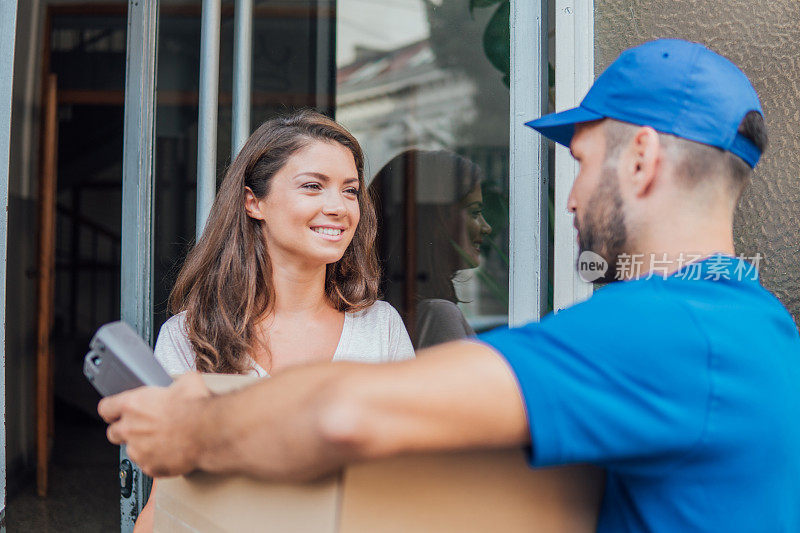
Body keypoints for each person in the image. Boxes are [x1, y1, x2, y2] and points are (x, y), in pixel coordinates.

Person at [100, 40, 800, 533]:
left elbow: (346, 413)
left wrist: (193, 423)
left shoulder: (660, 329)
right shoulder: (758, 323)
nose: (572, 198)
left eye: (580, 162)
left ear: (641, 157)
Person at [134, 110, 414, 531]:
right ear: (254, 201)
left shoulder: (381, 328)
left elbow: (407, 480)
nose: (338, 207)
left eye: (350, 190)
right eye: (313, 186)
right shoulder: (190, 334)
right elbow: (165, 500)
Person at [369, 149, 493, 348]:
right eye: (475, 212)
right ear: (435, 221)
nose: (487, 227)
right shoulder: (438, 314)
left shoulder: (376, 314)